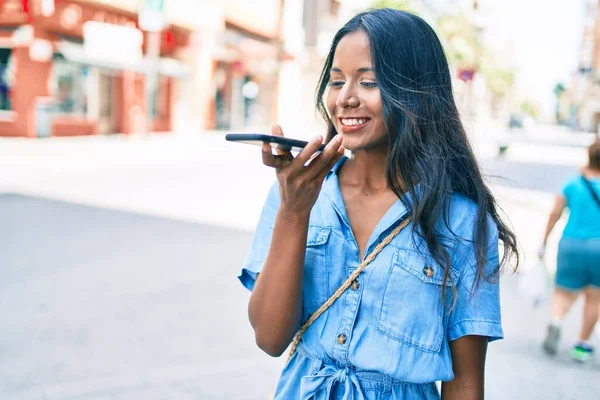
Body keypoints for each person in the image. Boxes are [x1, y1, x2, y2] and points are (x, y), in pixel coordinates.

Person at [238, 9, 518, 399]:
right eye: (336, 81)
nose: (345, 98)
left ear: (416, 92)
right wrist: (294, 211)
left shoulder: (462, 222)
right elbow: (269, 337)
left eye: (368, 82)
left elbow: (466, 382)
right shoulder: (297, 192)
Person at [540, 139, 600, 362]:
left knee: (563, 292)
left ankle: (556, 322)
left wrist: (544, 242)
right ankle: (581, 346)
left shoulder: (572, 183)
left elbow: (555, 213)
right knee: (595, 297)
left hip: (571, 245)